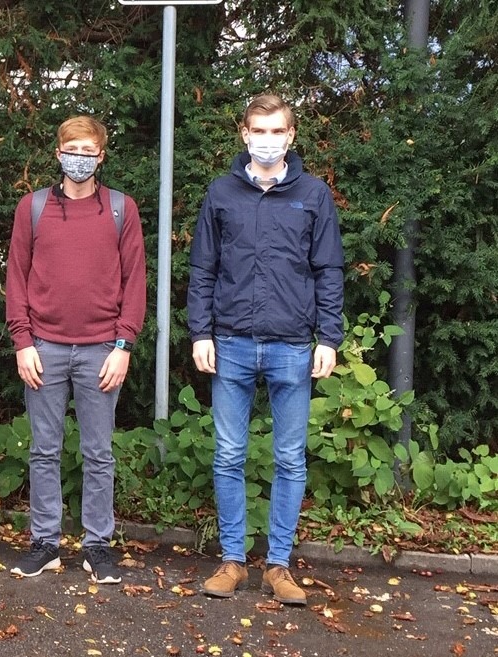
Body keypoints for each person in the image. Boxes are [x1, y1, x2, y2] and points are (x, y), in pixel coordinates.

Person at [188, 93, 344, 605]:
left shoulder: (313, 194)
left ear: (291, 136)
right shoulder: (221, 192)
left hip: (293, 345)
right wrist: (200, 332)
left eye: (278, 131)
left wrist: (329, 338)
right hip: (230, 342)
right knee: (228, 454)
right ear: (244, 134)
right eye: (259, 130)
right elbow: (203, 268)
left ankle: (278, 567)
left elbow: (328, 269)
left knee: (290, 459)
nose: (268, 140)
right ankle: (232, 561)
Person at [4, 116, 146, 581]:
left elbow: (135, 281)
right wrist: (22, 341)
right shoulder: (33, 207)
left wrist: (124, 345)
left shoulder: (122, 209)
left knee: (99, 453)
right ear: (58, 153)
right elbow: (16, 277)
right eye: (72, 149)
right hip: (43, 347)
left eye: (88, 150)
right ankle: (44, 543)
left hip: (102, 350)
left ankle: (97, 545)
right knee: (43, 450)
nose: (79, 158)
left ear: (101, 156)